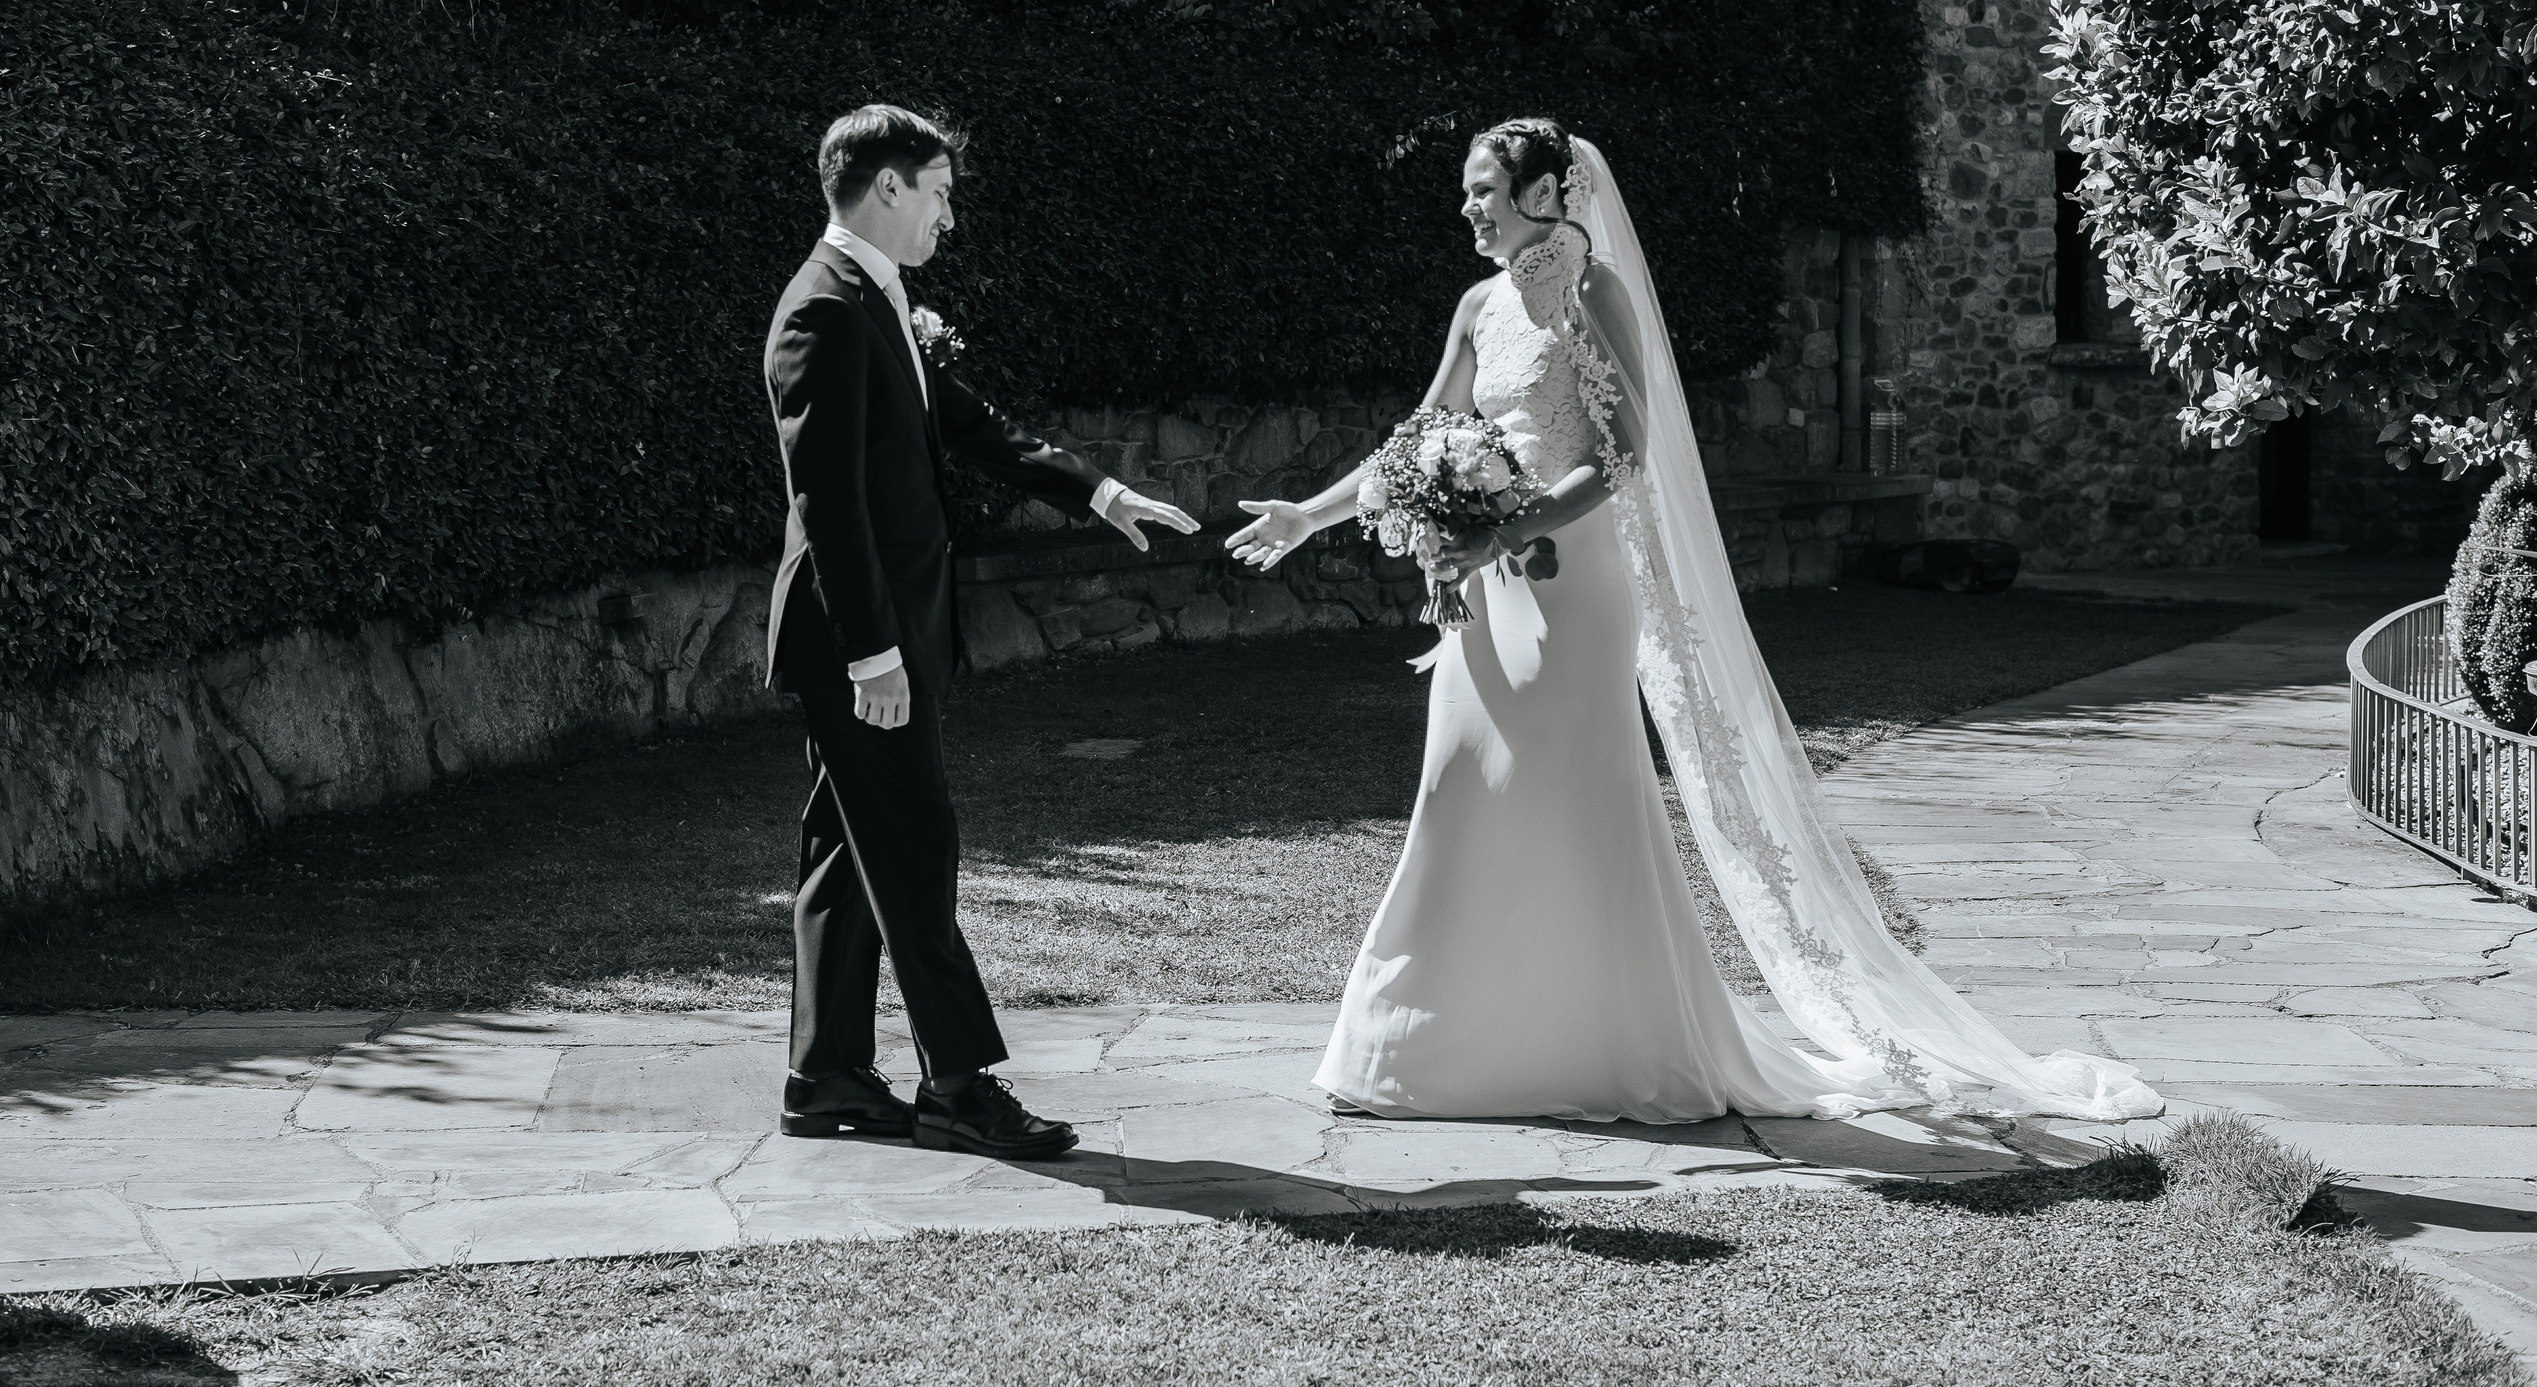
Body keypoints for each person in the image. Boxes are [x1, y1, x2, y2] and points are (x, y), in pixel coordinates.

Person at [1227, 118, 2161, 1124]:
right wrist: (1309, 515)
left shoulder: (1595, 297)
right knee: (1455, 798)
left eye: (1485, 190)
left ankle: (1611, 1045)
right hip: (1486, 596)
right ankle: (1418, 1049)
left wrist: (1513, 527)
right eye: (1468, 190)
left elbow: (1623, 455)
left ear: (1546, 193)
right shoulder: (1475, 307)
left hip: (1571, 590)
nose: (1468, 208)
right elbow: (1416, 441)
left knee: (1575, 813)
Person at [762, 104, 1197, 1157]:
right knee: (914, 844)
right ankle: (956, 1087)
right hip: (861, 644)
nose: (949, 214)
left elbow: (962, 423)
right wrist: (873, 651)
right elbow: (828, 505)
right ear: (888, 189)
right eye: (941, 191)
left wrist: (1096, 493)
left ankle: (826, 1079)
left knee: (846, 848)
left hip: (887, 635)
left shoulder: (873, 296)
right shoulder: (820, 310)